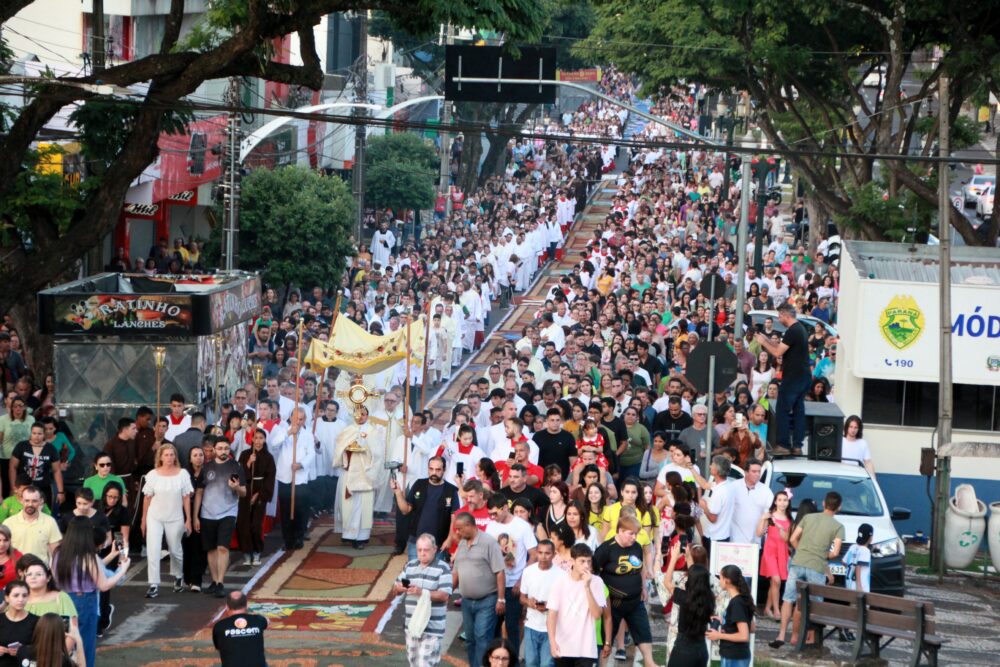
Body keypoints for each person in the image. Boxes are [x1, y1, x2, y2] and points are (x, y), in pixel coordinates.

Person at [52, 517, 130, 667]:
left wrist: (112, 555)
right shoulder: (88, 556)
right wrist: (123, 569)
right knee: (85, 646)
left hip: (63, 600)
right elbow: (104, 584)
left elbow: (87, 571)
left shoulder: (60, 552)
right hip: (84, 602)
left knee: (64, 645)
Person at [772, 491, 844, 649]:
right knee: (813, 602)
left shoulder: (808, 518)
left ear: (824, 504)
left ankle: (781, 634)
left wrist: (803, 552)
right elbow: (836, 552)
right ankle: (806, 636)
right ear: (839, 507)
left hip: (797, 563)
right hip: (816, 567)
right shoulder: (838, 527)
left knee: (788, 599)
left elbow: (792, 539)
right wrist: (821, 556)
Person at [592, 514, 661, 667]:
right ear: (620, 531)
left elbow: (639, 568)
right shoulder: (605, 549)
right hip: (613, 604)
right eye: (631, 533)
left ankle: (649, 663)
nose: (634, 537)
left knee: (644, 632)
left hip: (635, 601)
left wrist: (643, 586)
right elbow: (594, 575)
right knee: (605, 641)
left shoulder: (636, 546)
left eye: (636, 534)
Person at [451, 512, 505, 667]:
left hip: (487, 599)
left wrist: (501, 599)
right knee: (470, 639)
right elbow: (456, 571)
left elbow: (499, 571)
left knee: (482, 638)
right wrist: (447, 592)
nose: (457, 532)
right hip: (467, 601)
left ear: (469, 526)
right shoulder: (462, 544)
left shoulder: (489, 543)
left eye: (459, 529)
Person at [484, 494, 537, 652]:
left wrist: (521, 581)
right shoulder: (491, 526)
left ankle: (512, 660)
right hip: (493, 584)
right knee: (492, 626)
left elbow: (533, 554)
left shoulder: (522, 526)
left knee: (512, 626)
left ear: (505, 508)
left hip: (513, 584)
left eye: (495, 513)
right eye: (490, 514)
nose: (492, 517)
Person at [194, 438, 246, 598]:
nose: (223, 451)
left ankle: (221, 582)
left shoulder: (236, 466)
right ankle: (215, 581)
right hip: (207, 513)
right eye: (220, 448)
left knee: (222, 547)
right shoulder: (207, 467)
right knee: (210, 549)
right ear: (214, 450)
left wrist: (236, 487)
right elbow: (199, 492)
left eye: (226, 448)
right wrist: (195, 516)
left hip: (228, 512)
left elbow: (243, 492)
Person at [755, 303, 810, 454]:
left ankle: (783, 445)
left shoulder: (793, 331)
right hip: (803, 376)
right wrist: (767, 339)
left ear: (786, 315)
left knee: (782, 409)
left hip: (793, 377)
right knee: (799, 410)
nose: (779, 319)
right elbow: (782, 347)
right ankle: (797, 446)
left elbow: (778, 352)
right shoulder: (800, 329)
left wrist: (763, 342)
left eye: (779, 316)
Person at [141, 443, 193, 598]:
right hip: (154, 516)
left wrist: (188, 519)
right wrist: (143, 519)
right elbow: (147, 498)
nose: (169, 458)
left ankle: (178, 577)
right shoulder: (152, 475)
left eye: (172, 455)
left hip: (175, 516)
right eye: (166, 455)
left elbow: (186, 498)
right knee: (153, 549)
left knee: (175, 550)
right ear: (160, 457)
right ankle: (153, 584)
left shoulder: (182, 474)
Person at [392, 533, 452, 667]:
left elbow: (444, 595)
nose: (422, 553)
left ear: (434, 549)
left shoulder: (443, 568)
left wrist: (421, 592)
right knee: (414, 664)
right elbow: (395, 589)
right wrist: (400, 588)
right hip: (412, 627)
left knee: (424, 664)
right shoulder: (410, 566)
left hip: (432, 629)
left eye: (426, 550)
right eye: (419, 550)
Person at [546, 542, 608, 667]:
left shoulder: (596, 582)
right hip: (563, 646)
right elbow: (551, 615)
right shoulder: (560, 582)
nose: (587, 565)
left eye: (589, 562)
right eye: (582, 561)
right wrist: (552, 642)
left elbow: (597, 615)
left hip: (586, 648)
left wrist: (587, 587)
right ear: (572, 561)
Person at [391, 457, 460, 562]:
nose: (434, 472)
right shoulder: (419, 484)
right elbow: (405, 510)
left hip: (439, 543)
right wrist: (398, 492)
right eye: (431, 469)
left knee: (436, 576)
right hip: (416, 542)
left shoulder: (451, 490)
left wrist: (449, 539)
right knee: (414, 575)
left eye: (438, 470)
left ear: (444, 470)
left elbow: (454, 517)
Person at [334, 406, 381, 549]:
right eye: (358, 414)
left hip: (365, 473)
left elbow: (378, 454)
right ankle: (347, 533)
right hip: (349, 472)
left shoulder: (373, 431)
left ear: (368, 415)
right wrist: (347, 449)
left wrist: (364, 447)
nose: (360, 417)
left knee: (363, 506)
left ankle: (361, 537)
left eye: (364, 414)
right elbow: (338, 449)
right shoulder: (348, 430)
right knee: (348, 504)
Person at [269, 408, 314, 552]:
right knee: (286, 509)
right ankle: (287, 540)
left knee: (301, 509)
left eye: (301, 419)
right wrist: (289, 433)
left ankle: (299, 537)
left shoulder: (308, 435)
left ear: (304, 420)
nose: (298, 422)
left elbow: (311, 453)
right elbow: (273, 445)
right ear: (291, 418)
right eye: (296, 419)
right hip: (285, 476)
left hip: (300, 477)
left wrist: (301, 465)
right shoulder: (282, 430)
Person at [519, 539, 564, 667]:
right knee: (531, 662)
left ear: (554, 554)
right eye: (540, 552)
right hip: (531, 624)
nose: (543, 557)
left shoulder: (562, 575)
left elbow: (566, 602)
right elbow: (522, 597)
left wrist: (550, 605)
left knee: (546, 664)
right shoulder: (528, 571)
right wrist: (529, 602)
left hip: (551, 628)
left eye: (547, 553)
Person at [236, 429, 275, 566]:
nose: (258, 441)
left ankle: (257, 551)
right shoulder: (245, 454)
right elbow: (239, 473)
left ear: (264, 440)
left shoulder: (268, 457)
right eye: (256, 438)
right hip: (245, 492)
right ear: (251, 439)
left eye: (261, 438)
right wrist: (248, 464)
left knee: (256, 525)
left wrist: (259, 495)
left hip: (260, 492)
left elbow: (270, 479)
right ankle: (246, 552)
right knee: (244, 524)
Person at [665, 563, 714, 667]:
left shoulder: (684, 597)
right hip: (701, 648)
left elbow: (667, 582)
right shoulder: (709, 598)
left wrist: (673, 558)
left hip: (684, 648)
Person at [706, 564, 754, 667]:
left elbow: (744, 636)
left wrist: (719, 635)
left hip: (734, 656)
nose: (719, 581)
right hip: (737, 655)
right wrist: (725, 620)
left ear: (727, 580)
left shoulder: (737, 603)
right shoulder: (742, 599)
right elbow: (752, 627)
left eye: (721, 578)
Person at [9, 424, 64, 510]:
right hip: (23, 488)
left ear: (44, 434)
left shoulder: (51, 448)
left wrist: (60, 492)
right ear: (30, 433)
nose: (36, 436)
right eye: (34, 433)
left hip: (43, 488)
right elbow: (13, 467)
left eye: (39, 434)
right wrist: (13, 487)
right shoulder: (22, 446)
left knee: (44, 513)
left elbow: (56, 470)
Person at [4, 486, 60, 566]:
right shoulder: (9, 523)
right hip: (15, 572)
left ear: (40, 501)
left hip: (40, 573)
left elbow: (55, 552)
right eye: (27, 501)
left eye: (34, 501)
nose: (30, 504)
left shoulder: (50, 522)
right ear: (21, 501)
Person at [757, 491, 791, 620]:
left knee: (775, 583)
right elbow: (759, 533)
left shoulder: (789, 518)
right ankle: (777, 610)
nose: (782, 503)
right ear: (775, 502)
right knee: (776, 580)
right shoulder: (770, 517)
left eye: (785, 500)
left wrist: (780, 527)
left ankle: (767, 608)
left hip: (782, 552)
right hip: (770, 551)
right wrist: (762, 519)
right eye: (780, 500)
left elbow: (786, 538)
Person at [212, 591, 268, 667]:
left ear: (227, 607)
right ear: (247, 605)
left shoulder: (219, 626)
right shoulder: (258, 620)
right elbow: (267, 620)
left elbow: (218, 647)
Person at [181, 446, 208, 592]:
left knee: (199, 545)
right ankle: (187, 577)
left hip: (204, 512)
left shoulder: (208, 472)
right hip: (185, 512)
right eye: (195, 455)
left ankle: (197, 579)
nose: (198, 457)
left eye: (201, 455)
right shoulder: (184, 474)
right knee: (186, 545)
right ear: (190, 458)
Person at [698, 456, 736, 555]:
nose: (710, 466)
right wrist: (691, 468)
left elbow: (713, 518)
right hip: (724, 536)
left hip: (714, 537)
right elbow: (705, 485)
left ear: (716, 471)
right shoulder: (728, 485)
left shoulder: (719, 492)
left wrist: (704, 506)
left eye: (712, 465)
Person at [729, 459, 772, 544]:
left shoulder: (766, 491)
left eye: (759, 472)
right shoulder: (733, 487)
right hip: (734, 539)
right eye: (754, 471)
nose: (757, 474)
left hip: (755, 542)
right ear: (746, 472)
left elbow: (769, 513)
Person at [14, 612, 79, 667]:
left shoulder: (23, 651)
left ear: (38, 629)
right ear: (60, 634)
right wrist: (79, 641)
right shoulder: (63, 661)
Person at [0, 580, 36, 667]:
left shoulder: (37, 621)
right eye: (16, 595)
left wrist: (24, 651)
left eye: (24, 596)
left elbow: (44, 648)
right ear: (7, 598)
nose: (21, 599)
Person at [844, 523, 873, 592]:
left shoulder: (853, 547)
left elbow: (844, 562)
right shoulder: (865, 551)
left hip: (850, 584)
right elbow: (858, 566)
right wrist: (859, 586)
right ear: (870, 537)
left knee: (852, 602)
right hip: (861, 586)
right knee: (862, 603)